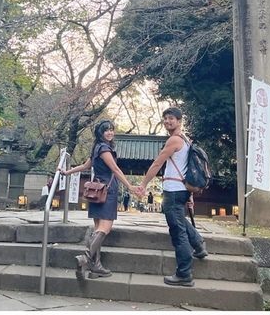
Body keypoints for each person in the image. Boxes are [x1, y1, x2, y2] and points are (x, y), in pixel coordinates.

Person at [59, 119, 141, 280]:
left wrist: (67, 172)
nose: (110, 133)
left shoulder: (96, 148)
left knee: (98, 228)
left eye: (111, 129)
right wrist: (130, 186)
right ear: (100, 133)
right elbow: (115, 169)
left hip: (95, 191)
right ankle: (85, 258)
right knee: (105, 228)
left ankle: (96, 266)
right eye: (106, 130)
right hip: (106, 191)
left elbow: (85, 166)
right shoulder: (104, 148)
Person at [138, 107, 208, 287]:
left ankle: (184, 273)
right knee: (179, 220)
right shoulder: (186, 140)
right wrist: (190, 194)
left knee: (178, 231)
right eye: (165, 118)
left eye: (171, 118)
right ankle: (199, 244)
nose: (167, 121)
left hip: (174, 190)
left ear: (179, 121)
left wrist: (143, 184)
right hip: (182, 189)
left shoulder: (174, 140)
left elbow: (157, 163)